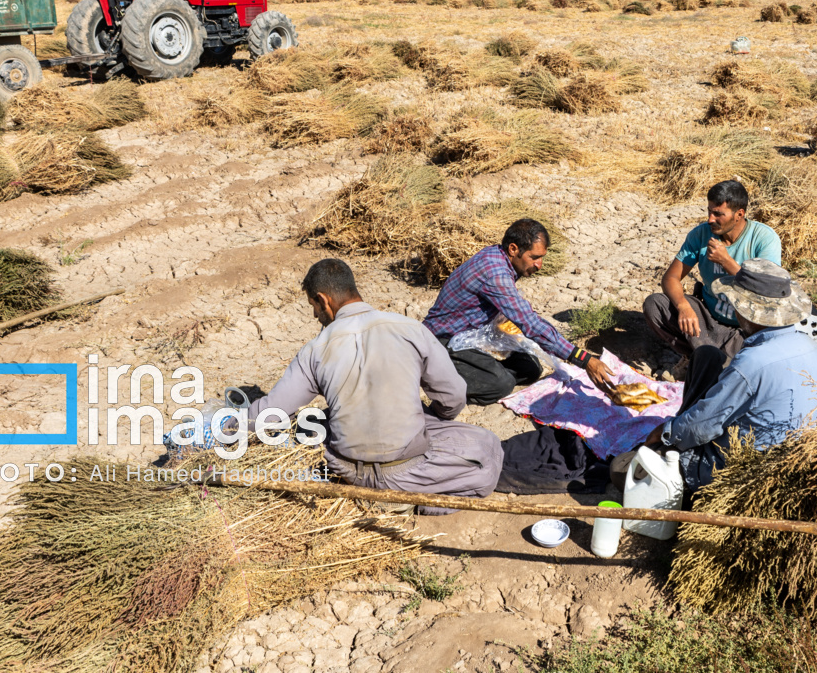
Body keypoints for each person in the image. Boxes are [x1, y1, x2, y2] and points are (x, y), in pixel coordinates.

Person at [246, 258, 501, 514]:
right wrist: (438, 418)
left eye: (313, 306)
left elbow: (269, 414)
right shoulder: (410, 329)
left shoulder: (314, 350)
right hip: (405, 471)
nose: (315, 315)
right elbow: (453, 396)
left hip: (346, 469)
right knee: (487, 448)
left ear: (323, 300)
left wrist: (227, 426)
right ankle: (411, 501)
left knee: (320, 421)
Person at [632, 259, 817, 496]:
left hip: (734, 470)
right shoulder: (813, 348)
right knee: (706, 355)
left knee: (623, 469)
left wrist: (665, 432)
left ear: (747, 310)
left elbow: (703, 427)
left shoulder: (753, 363)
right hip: (787, 459)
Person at [425, 218, 616, 405]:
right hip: (443, 341)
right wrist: (583, 359)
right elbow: (529, 323)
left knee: (530, 367)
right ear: (513, 249)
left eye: (542, 258)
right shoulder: (495, 272)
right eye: (534, 257)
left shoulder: (498, 257)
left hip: (470, 333)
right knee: (501, 384)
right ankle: (440, 380)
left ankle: (479, 370)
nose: (539, 265)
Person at [643, 179, 783, 364]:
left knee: (759, 351)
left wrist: (726, 261)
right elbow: (671, 277)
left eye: (718, 214)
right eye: (709, 211)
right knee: (655, 305)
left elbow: (765, 289)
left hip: (747, 328)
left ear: (739, 214)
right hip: (709, 320)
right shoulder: (701, 234)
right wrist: (683, 306)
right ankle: (696, 358)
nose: (710, 219)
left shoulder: (764, 238)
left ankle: (712, 359)